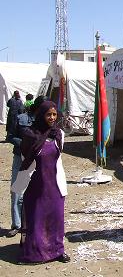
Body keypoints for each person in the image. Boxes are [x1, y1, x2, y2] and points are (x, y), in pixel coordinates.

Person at [11, 100, 70, 264]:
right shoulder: (31, 135)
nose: (52, 117)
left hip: (55, 185)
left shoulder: (58, 134)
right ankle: (35, 253)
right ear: (41, 115)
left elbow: (58, 159)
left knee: (56, 218)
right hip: (37, 185)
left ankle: (57, 250)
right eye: (48, 114)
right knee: (37, 218)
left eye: (54, 114)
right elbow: (25, 159)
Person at [6, 95, 49, 238]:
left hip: (38, 161)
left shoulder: (46, 122)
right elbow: (10, 136)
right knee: (17, 191)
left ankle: (33, 224)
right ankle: (17, 225)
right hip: (21, 158)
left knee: (38, 193)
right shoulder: (21, 118)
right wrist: (25, 145)